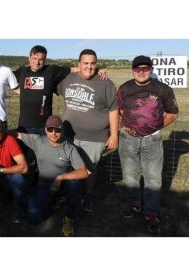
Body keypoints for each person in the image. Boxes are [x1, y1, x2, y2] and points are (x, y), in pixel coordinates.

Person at [116, 55, 179, 234]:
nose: (141, 72)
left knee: (153, 178)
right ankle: (133, 204)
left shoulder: (163, 89)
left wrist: (154, 126)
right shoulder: (124, 88)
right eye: (138, 68)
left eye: (145, 68)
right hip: (128, 139)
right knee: (129, 176)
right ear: (133, 70)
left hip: (152, 140)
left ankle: (152, 212)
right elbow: (120, 110)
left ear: (151, 69)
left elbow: (173, 113)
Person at [57, 49, 119, 213]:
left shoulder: (105, 83)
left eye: (93, 64)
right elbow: (50, 78)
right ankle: (68, 194)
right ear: (78, 65)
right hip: (68, 134)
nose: (89, 67)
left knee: (89, 169)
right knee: (68, 166)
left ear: (97, 65)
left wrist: (114, 134)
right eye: (85, 63)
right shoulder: (68, 79)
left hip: (94, 137)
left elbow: (114, 109)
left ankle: (88, 196)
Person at [15, 115, 88, 236]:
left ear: (62, 130)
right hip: (44, 184)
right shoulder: (38, 140)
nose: (54, 133)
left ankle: (68, 217)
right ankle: (53, 203)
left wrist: (61, 177)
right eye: (50, 129)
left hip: (63, 184)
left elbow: (83, 172)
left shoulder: (69, 148)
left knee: (75, 185)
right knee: (33, 217)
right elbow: (17, 134)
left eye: (58, 130)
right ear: (45, 130)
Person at [13, 45, 106, 135]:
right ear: (29, 58)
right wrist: (18, 90)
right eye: (34, 58)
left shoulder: (51, 71)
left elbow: (73, 69)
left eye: (41, 59)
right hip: (24, 126)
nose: (37, 62)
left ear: (45, 60)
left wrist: (96, 70)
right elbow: (6, 78)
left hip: (44, 126)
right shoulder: (22, 72)